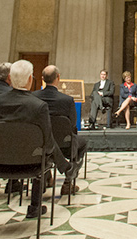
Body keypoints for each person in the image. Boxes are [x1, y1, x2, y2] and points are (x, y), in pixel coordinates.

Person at [0, 60, 75, 219]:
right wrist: (60, 160)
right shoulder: (38, 105)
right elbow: (47, 139)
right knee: (41, 150)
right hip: (32, 162)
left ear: (9, 78)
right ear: (30, 79)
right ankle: (35, 206)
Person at [33, 65, 87, 195]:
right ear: (58, 78)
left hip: (38, 145)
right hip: (64, 145)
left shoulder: (33, 97)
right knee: (82, 143)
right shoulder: (66, 100)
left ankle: (46, 176)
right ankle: (68, 181)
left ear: (42, 79)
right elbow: (73, 125)